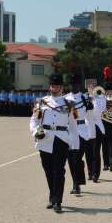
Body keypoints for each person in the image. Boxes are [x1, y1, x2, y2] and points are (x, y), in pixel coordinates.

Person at [29, 73, 79, 213]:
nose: (54, 87)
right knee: (48, 170)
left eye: (56, 85)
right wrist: (35, 132)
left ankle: (57, 201)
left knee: (59, 171)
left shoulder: (70, 104)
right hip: (45, 138)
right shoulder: (42, 102)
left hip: (61, 139)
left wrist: (75, 144)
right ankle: (53, 196)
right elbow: (34, 120)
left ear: (61, 87)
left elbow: (74, 125)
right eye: (52, 85)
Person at [65, 74, 94, 196]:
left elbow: (90, 116)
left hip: (82, 130)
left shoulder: (84, 98)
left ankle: (77, 184)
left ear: (79, 85)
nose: (73, 86)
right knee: (71, 160)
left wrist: (90, 106)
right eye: (71, 84)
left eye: (75, 84)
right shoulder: (65, 98)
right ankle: (75, 183)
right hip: (70, 131)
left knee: (77, 158)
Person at [85, 84, 107, 182]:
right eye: (90, 88)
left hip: (97, 127)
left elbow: (100, 111)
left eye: (93, 88)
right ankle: (90, 172)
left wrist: (93, 99)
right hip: (86, 127)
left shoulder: (101, 99)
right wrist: (88, 99)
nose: (91, 90)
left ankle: (95, 174)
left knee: (95, 152)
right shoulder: (83, 98)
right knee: (88, 152)